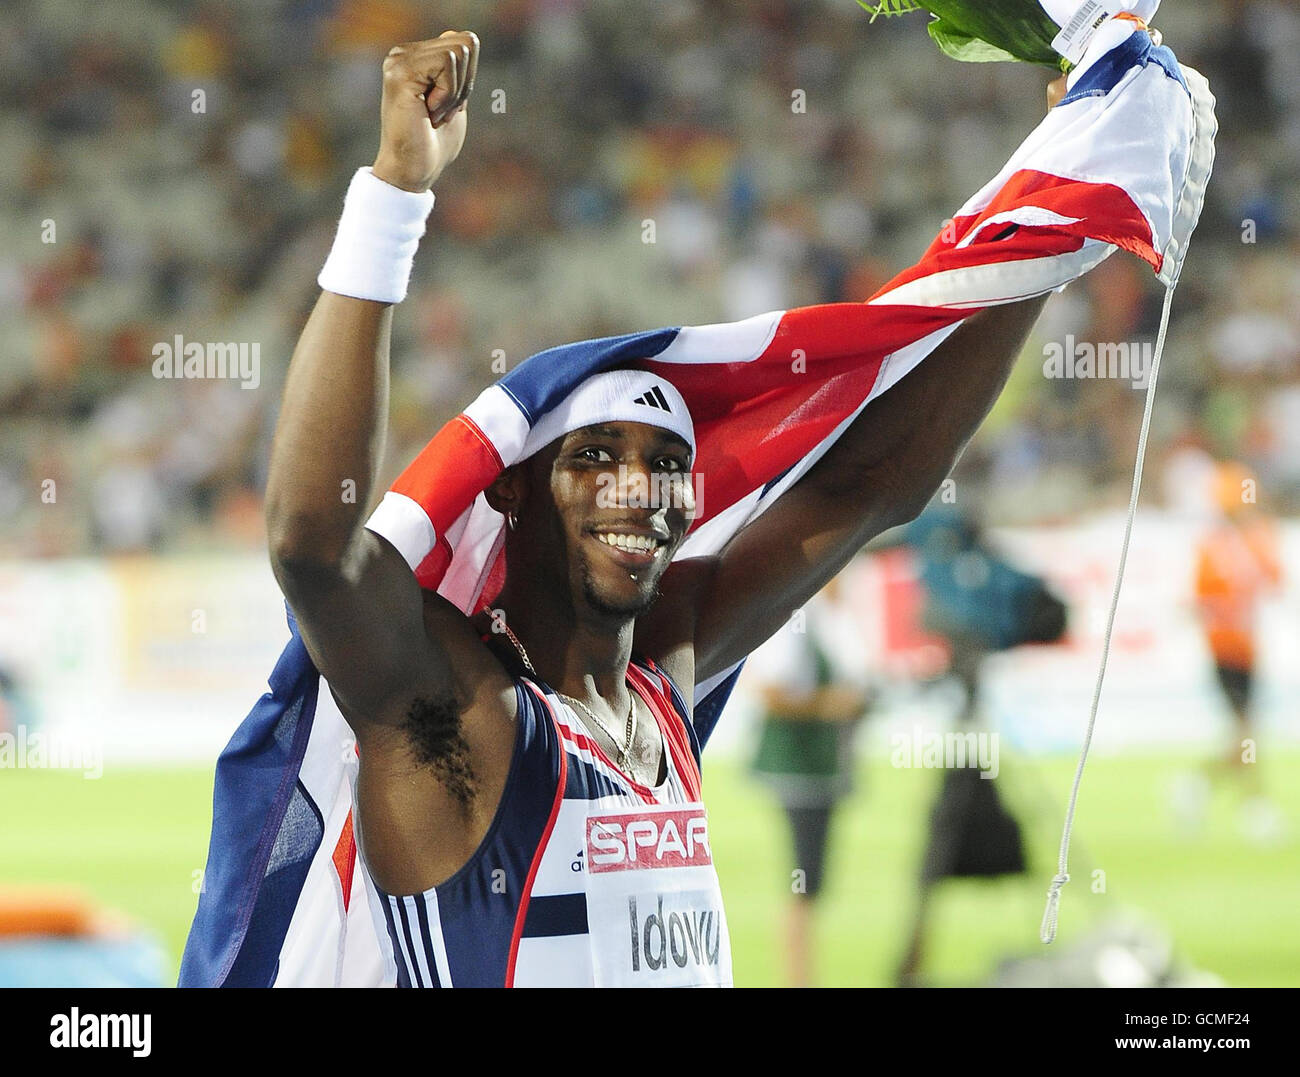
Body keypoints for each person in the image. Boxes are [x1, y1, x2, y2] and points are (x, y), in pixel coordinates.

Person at [250, 17, 1210, 987]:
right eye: (596, 457)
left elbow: (871, 482)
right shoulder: (457, 709)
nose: (642, 487)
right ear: (512, 488)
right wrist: (394, 195)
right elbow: (312, 544)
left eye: (668, 464)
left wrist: (1052, 232)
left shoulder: (667, 673)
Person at [749, 573, 872, 988]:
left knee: (811, 881)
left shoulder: (835, 622)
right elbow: (769, 690)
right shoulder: (801, 624)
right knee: (804, 879)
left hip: (822, 769)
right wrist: (827, 706)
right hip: (800, 768)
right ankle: (798, 978)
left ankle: (803, 975)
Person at [1186, 461, 1284, 841]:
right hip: (1224, 649)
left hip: (1248, 649)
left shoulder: (1256, 538)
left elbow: (1275, 580)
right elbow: (1200, 600)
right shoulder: (1213, 546)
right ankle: (1255, 807)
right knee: (1246, 732)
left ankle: (1199, 783)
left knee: (1245, 734)